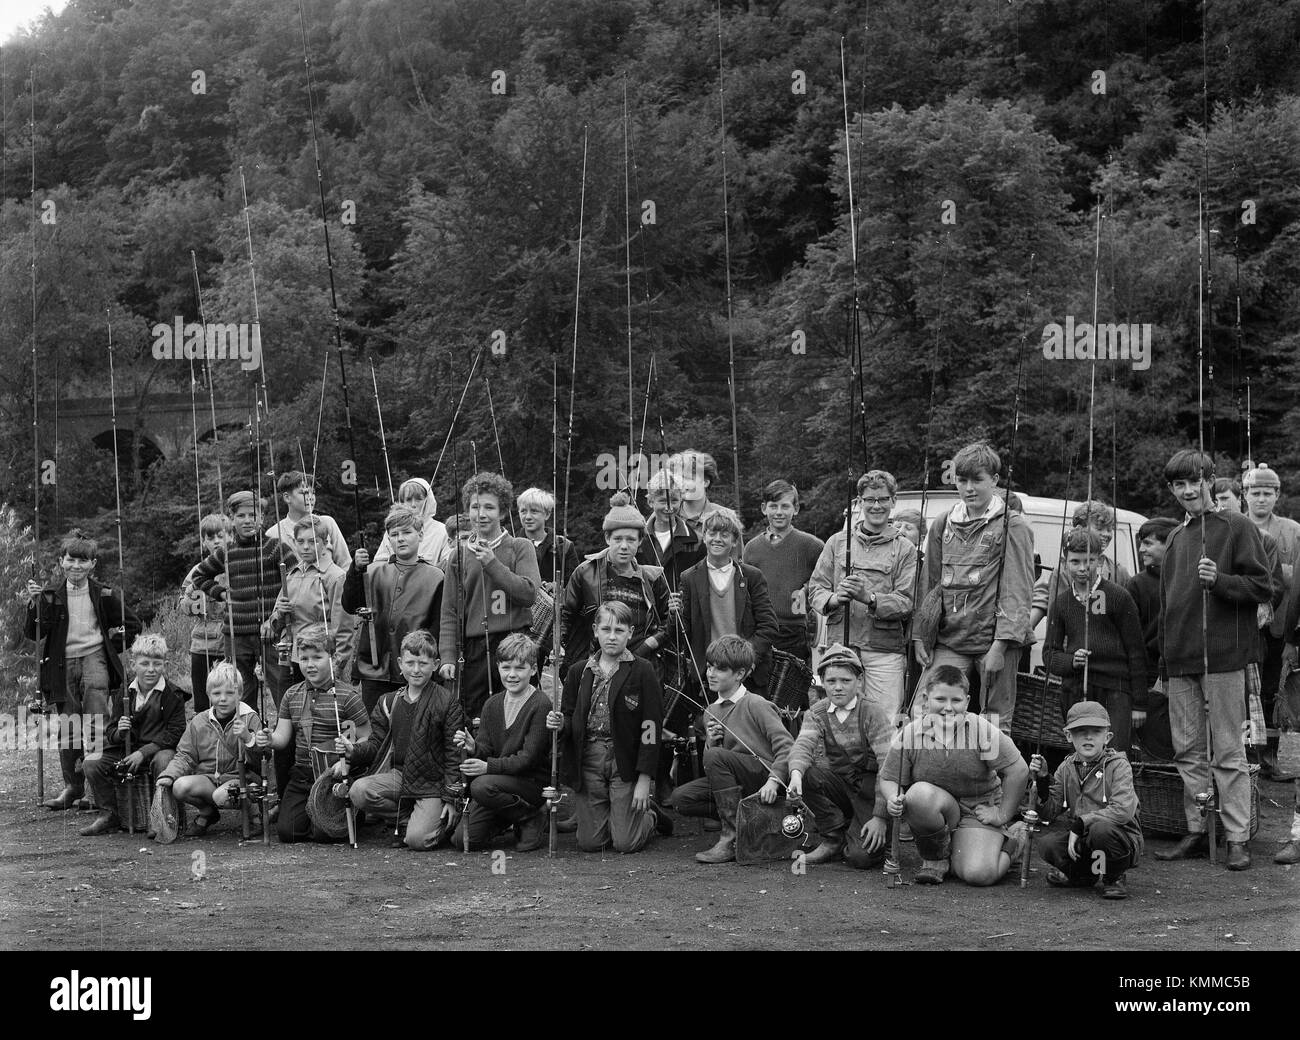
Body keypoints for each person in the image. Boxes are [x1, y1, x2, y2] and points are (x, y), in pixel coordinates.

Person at [1154, 449, 1270, 871]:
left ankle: (1237, 837)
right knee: (1187, 751)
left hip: (1224, 659)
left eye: (1196, 481)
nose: (1188, 490)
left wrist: (1220, 581)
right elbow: (1168, 606)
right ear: (1171, 490)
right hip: (1180, 661)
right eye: (1179, 484)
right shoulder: (1174, 537)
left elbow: (1262, 586)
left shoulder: (1236, 526)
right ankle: (1198, 830)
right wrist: (1164, 662)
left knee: (1228, 750)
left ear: (1211, 481)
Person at [914, 442, 1033, 730]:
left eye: (977, 480)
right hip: (950, 639)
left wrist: (1000, 646)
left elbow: (1018, 589)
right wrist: (920, 635)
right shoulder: (943, 522)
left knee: (994, 721)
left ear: (994, 480)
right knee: (925, 712)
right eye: (962, 480)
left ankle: (990, 776)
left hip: (995, 642)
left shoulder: (1012, 525)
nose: (969, 488)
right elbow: (930, 585)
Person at [879, 665, 1030, 885]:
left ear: (967, 701)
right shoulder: (911, 732)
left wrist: (1002, 814)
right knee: (917, 795)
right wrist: (893, 797)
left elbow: (1018, 770)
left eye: (956, 701)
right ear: (925, 698)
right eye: (940, 699)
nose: (948, 708)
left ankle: (1013, 841)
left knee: (978, 874)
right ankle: (936, 859)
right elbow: (890, 777)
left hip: (977, 810)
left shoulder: (981, 729)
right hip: (937, 809)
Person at [24, 528, 141, 811]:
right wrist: (33, 603)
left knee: (97, 722)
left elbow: (133, 625)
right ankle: (72, 787)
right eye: (70, 560)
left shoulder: (105, 594)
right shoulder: (49, 595)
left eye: (83, 561)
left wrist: (108, 644)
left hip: (94, 659)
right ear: (61, 562)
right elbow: (32, 633)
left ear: (93, 564)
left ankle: (95, 787)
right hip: (61, 665)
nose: (76, 566)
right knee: (68, 726)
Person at [549, 601, 668, 852]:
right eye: (606, 629)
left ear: (631, 633)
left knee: (625, 843)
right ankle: (616, 816)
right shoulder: (578, 672)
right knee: (590, 843)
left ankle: (650, 818)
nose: (612, 637)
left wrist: (644, 779)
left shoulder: (642, 670)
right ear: (595, 630)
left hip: (624, 760)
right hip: (589, 759)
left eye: (619, 631)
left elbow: (651, 727)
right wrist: (560, 725)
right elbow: (570, 716)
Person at [809, 469, 916, 747]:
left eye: (883, 499)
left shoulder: (905, 549)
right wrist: (835, 599)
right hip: (841, 647)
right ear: (859, 502)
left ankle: (885, 786)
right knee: (840, 721)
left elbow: (906, 601)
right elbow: (816, 589)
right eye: (870, 499)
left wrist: (868, 597)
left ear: (893, 501)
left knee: (885, 722)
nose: (876, 505)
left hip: (884, 652)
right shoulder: (836, 542)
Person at [666, 635, 793, 864]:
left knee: (717, 756)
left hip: (763, 778)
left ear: (740, 674)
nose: (711, 673)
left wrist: (774, 781)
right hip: (734, 782)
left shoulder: (756, 704)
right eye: (710, 666)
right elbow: (713, 765)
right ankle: (751, 826)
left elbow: (786, 747)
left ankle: (731, 838)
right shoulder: (711, 710)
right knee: (681, 798)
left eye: (721, 669)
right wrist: (712, 742)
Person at [341, 630, 463, 850]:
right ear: (400, 663)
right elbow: (376, 744)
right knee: (358, 791)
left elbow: (453, 754)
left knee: (418, 841)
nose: (416, 670)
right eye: (410, 663)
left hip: (432, 783)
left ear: (435, 664)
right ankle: (405, 820)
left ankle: (438, 823)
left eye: (423, 663)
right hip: (399, 776)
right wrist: (353, 751)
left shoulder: (447, 702)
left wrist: (451, 797)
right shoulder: (388, 701)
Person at [254, 624, 370, 844]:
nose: (310, 665)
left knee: (323, 835)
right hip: (302, 776)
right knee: (287, 832)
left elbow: (366, 737)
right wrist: (269, 739)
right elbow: (282, 738)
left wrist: (351, 755)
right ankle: (319, 816)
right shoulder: (291, 695)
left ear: (333, 658)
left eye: (316, 657)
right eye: (304, 659)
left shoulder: (348, 697)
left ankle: (350, 816)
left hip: (334, 775)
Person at [438, 473, 540, 721]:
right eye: (475, 507)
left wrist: (492, 564)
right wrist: (448, 656)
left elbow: (529, 593)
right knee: (477, 717)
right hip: (475, 650)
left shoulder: (520, 547)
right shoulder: (458, 556)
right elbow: (450, 611)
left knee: (520, 715)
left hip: (515, 642)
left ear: (502, 513)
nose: (481, 514)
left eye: (489, 507)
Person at [1041, 529, 1148, 753]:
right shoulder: (1061, 603)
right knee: (1081, 755)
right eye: (1075, 562)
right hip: (1075, 690)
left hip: (1115, 691)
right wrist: (1071, 662)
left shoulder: (1119, 596)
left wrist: (1139, 704)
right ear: (1065, 561)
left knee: (1115, 754)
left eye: (1089, 561)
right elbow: (1050, 654)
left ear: (1099, 560)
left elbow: (1137, 653)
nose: (1082, 568)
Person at [786, 644, 893, 867]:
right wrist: (795, 774)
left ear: (859, 681)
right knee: (808, 774)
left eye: (846, 681)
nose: (838, 688)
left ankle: (866, 831)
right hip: (842, 785)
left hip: (872, 792)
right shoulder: (817, 711)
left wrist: (880, 816)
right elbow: (803, 745)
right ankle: (833, 837)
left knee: (860, 858)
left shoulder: (872, 712)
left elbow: (888, 766)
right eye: (831, 681)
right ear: (822, 683)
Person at [1028, 701, 1144, 899]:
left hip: (1119, 837)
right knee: (1047, 844)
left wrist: (1081, 823)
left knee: (1100, 831)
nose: (1088, 736)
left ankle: (1113, 876)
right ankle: (1083, 875)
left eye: (1096, 731)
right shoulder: (1066, 767)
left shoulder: (1119, 766)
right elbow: (1049, 812)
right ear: (1068, 736)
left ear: (1107, 737)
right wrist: (1042, 781)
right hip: (1083, 839)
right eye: (1080, 731)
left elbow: (1123, 811)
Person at [192, 491, 295, 711]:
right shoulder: (227, 552)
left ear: (262, 518)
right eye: (241, 516)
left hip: (271, 633)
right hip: (235, 634)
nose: (248, 520)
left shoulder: (275, 548)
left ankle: (286, 742)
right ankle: (248, 741)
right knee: (241, 692)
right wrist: (220, 593)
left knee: (282, 689)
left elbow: (296, 578)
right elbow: (199, 576)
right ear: (231, 518)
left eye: (253, 515)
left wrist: (276, 618)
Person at [452, 634, 552, 852]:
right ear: (498, 667)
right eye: (506, 667)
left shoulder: (541, 704)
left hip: (530, 783)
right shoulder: (492, 704)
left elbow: (528, 758)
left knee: (481, 785)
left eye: (520, 668)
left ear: (533, 670)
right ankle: (512, 816)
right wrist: (474, 748)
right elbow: (487, 748)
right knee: (462, 840)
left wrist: (487, 767)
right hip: (499, 783)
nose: (512, 675)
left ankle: (533, 815)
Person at [80, 634, 187, 836]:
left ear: (165, 664)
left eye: (157, 664)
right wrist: (120, 733)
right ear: (133, 664)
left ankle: (162, 816)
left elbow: (176, 732)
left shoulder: (173, 694)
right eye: (144, 663)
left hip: (158, 751)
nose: (151, 669)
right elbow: (111, 732)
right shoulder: (124, 692)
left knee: (164, 762)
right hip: (127, 751)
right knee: (92, 763)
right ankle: (108, 814)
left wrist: (144, 752)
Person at [343, 504, 444, 711]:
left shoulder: (436, 577)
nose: (400, 538)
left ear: (420, 534)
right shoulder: (371, 572)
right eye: (394, 534)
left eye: (407, 532)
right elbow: (350, 605)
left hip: (414, 668)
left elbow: (438, 626)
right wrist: (355, 570)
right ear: (388, 539)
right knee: (376, 726)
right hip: (374, 667)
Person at [559, 492, 671, 678]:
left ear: (641, 541)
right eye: (618, 539)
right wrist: (564, 650)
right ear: (607, 538)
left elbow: (667, 624)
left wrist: (645, 648)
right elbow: (566, 615)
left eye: (631, 539)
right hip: (594, 664)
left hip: (639, 665)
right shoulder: (585, 572)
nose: (624, 546)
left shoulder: (653, 578)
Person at [675, 507, 780, 696]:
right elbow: (681, 633)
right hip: (708, 677)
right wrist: (674, 614)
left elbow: (769, 626)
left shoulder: (752, 576)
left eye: (724, 534)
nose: (717, 539)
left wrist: (747, 661)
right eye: (712, 533)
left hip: (746, 675)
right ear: (704, 536)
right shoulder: (689, 578)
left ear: (733, 541)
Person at [156, 662, 263, 838]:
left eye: (230, 693)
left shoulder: (250, 718)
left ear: (240, 694)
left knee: (221, 796)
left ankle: (254, 814)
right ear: (208, 695)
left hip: (241, 778)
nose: (223, 699)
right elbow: (185, 755)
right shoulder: (199, 721)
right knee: (179, 787)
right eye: (217, 693)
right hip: (210, 778)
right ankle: (208, 813)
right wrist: (169, 774)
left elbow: (260, 758)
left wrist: (248, 738)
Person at [1241, 465, 1300, 773]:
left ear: (1277, 495)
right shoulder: (1235, 525)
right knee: (1244, 691)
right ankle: (1247, 755)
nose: (1261, 499)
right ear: (1245, 495)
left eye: (1267, 493)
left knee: (1273, 693)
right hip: (1244, 626)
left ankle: (1270, 757)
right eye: (1255, 493)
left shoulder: (1292, 530)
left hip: (1278, 626)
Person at [742, 479, 825, 666]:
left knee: (792, 688)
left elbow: (825, 580)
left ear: (795, 509)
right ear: (764, 508)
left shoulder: (812, 546)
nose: (779, 512)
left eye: (785, 506)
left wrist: (804, 592)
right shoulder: (751, 548)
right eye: (773, 506)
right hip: (760, 629)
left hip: (794, 630)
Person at [269, 514, 355, 685]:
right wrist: (280, 613)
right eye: (300, 542)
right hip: (291, 657)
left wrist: (337, 664)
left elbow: (343, 627)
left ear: (325, 543)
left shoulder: (335, 577)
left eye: (313, 541)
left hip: (319, 660)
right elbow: (275, 623)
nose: (306, 547)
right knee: (288, 708)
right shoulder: (291, 574)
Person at [1125, 517, 1180, 760]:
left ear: (1168, 545)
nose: (1141, 549)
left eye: (1148, 543)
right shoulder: (1136, 584)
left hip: (1181, 670)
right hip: (1147, 674)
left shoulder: (1184, 578)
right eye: (1141, 543)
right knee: (1152, 739)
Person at [1029, 499, 1129, 632]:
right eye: (1099, 528)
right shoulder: (1063, 572)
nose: (1106, 534)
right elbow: (1057, 621)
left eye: (1110, 529)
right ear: (1079, 529)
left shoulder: (1118, 570)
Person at [180, 513, 231, 712]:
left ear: (231, 536)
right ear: (203, 542)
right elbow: (184, 606)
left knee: (229, 690)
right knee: (202, 696)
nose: (216, 541)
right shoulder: (196, 570)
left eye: (221, 535)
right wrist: (192, 595)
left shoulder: (237, 565)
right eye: (210, 538)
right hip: (202, 643)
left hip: (231, 640)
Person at [264, 470, 350, 568]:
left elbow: (346, 564)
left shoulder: (327, 523)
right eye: (304, 493)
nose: (310, 497)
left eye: (312, 492)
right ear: (287, 497)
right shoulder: (273, 534)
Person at [636, 469, 704, 589]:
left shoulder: (697, 541)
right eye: (662, 501)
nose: (669, 507)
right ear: (651, 502)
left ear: (681, 501)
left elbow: (700, 584)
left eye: (674, 500)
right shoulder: (636, 539)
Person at [372, 477, 450, 566]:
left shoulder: (442, 531)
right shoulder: (393, 530)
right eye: (409, 500)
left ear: (427, 501)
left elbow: (448, 565)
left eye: (418, 499)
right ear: (402, 502)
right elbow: (379, 564)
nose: (413, 505)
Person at [518, 487, 579, 592]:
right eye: (523, 511)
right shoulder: (512, 546)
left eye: (534, 511)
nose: (527, 516)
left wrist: (560, 587)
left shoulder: (564, 546)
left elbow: (577, 586)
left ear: (547, 514)